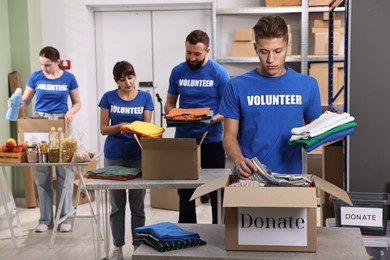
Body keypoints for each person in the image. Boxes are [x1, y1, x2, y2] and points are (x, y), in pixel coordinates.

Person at [219, 15, 322, 178]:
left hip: (291, 180)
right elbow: (229, 136)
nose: (270, 59)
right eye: (264, 52)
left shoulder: (308, 85)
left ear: (288, 45)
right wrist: (238, 160)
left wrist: (335, 131)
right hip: (251, 178)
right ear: (255, 48)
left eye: (277, 51)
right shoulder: (236, 86)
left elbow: (317, 131)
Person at [164, 29, 230, 224]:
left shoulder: (219, 73)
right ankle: (186, 234)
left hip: (211, 140)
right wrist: (172, 113)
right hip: (184, 141)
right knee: (185, 192)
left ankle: (219, 232)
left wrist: (212, 119)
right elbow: (170, 102)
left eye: (197, 54)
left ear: (207, 51)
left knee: (216, 191)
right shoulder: (177, 71)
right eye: (188, 52)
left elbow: (228, 108)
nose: (192, 57)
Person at [14, 46, 81, 232]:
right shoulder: (36, 77)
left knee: (63, 171)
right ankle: (44, 219)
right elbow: (26, 101)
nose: (44, 68)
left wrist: (70, 112)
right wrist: (17, 102)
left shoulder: (69, 78)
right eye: (41, 64)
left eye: (48, 65)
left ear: (58, 62)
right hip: (39, 123)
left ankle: (65, 218)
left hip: (61, 123)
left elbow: (77, 102)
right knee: (41, 171)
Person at [99, 61, 154, 259]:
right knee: (117, 205)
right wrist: (120, 126)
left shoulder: (146, 98)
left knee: (138, 205)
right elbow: (104, 129)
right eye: (122, 80)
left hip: (138, 155)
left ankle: (139, 246)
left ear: (134, 76)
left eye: (130, 78)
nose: (128, 82)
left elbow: (147, 129)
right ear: (116, 81)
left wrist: (136, 128)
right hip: (114, 155)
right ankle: (118, 247)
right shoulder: (108, 98)